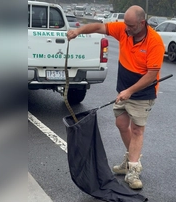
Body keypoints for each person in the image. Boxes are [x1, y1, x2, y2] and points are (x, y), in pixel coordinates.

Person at [67, 5, 165, 189]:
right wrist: (78, 31)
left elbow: (152, 74)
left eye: (131, 25)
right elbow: (98, 27)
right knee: (121, 124)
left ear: (142, 23)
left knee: (137, 130)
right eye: (125, 24)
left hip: (143, 93)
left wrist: (130, 91)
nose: (126, 28)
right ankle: (130, 160)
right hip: (124, 91)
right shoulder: (124, 30)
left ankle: (134, 171)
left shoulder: (154, 42)